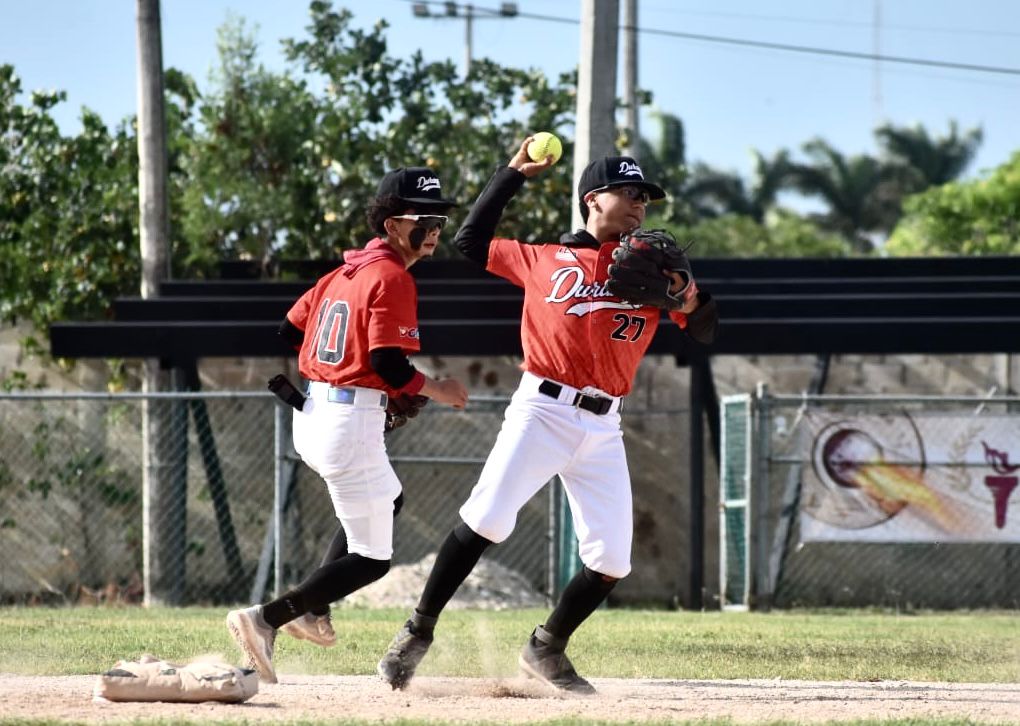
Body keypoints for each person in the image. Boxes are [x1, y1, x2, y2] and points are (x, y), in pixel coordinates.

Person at [377, 140, 718, 695]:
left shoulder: (651, 273)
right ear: (592, 200)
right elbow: (471, 241)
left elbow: (706, 327)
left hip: (604, 426)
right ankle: (417, 630)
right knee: (486, 518)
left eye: (645, 199)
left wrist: (686, 297)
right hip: (543, 409)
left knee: (611, 558)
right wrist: (512, 173)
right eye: (627, 193)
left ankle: (546, 647)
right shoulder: (544, 258)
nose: (639, 205)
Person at [227, 167, 470, 684]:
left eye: (439, 218)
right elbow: (389, 366)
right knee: (371, 560)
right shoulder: (392, 276)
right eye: (422, 218)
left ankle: (314, 611)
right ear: (390, 222)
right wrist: (439, 389)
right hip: (348, 421)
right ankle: (267, 619)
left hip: (315, 411)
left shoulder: (343, 273)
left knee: (391, 500)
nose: (434, 228)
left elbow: (288, 329)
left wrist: (339, 373)